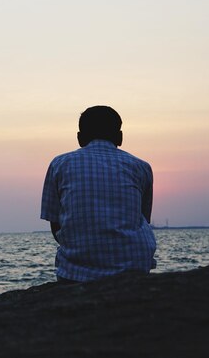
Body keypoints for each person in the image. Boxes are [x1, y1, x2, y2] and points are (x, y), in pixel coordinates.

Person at [40, 105, 156, 282]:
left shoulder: (60, 164)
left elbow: (56, 225)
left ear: (79, 138)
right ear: (120, 137)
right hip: (134, 266)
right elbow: (142, 219)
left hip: (76, 270)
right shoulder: (141, 166)